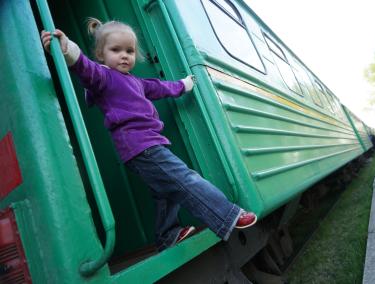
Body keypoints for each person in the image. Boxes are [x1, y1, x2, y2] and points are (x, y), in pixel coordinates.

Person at [40, 18, 257, 251]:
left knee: (165, 191)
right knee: (185, 178)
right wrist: (66, 49)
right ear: (101, 55)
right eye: (116, 50)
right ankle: (227, 215)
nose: (124, 55)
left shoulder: (136, 82)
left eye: (129, 51)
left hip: (150, 143)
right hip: (138, 145)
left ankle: (167, 235)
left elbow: (161, 87)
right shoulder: (103, 76)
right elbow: (84, 67)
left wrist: (184, 84)